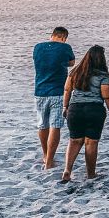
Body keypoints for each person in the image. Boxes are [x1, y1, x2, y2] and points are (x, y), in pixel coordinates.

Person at [61, 45, 109, 182]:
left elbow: (67, 90)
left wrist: (65, 106)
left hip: (75, 109)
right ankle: (91, 174)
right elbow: (107, 96)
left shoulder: (75, 72)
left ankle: (67, 170)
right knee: (91, 142)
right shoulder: (103, 75)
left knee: (74, 140)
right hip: (94, 110)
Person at [33, 27, 75, 169]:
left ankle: (45, 155)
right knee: (55, 126)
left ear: (52, 35)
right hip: (58, 91)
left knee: (42, 125)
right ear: (64, 37)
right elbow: (72, 62)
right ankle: (50, 161)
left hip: (39, 91)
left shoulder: (38, 47)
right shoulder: (65, 47)